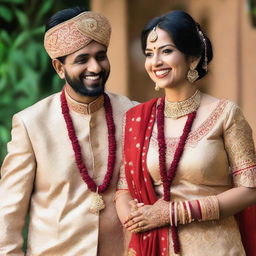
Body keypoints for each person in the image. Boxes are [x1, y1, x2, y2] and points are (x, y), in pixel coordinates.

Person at [115, 10, 256, 256]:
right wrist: (134, 218)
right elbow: (125, 189)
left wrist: (172, 213)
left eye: (166, 51)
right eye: (149, 54)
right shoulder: (138, 119)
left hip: (217, 248)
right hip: (154, 247)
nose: (155, 61)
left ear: (192, 58)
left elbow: (249, 190)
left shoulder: (226, 114)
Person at [0, 6, 136, 256]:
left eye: (101, 56)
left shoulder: (133, 114)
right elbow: (8, 212)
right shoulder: (32, 124)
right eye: (82, 60)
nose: (95, 67)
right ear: (59, 68)